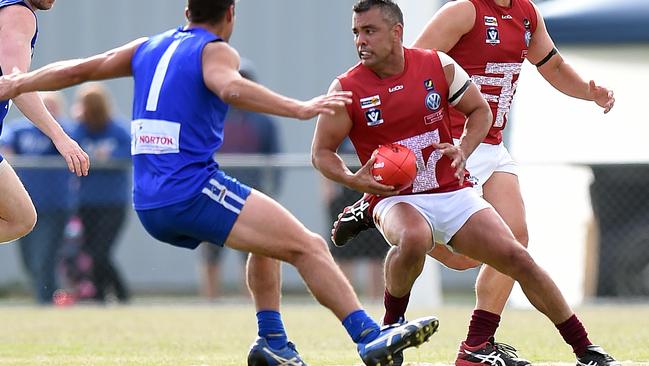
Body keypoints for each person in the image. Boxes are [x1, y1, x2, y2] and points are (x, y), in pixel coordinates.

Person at [0, 1, 440, 365]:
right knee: (307, 244)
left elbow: (80, 70)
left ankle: (272, 342)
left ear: (187, 10)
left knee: (271, 238)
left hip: (149, 198)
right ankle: (367, 337)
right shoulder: (214, 50)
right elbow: (230, 88)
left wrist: (17, 83)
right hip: (189, 189)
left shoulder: (149, 46)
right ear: (230, 15)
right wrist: (299, 107)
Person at [311, 1, 620, 366]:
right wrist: (361, 172)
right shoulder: (461, 13)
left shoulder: (525, 15)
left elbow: (547, 67)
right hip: (429, 164)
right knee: (427, 244)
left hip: (475, 149)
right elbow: (408, 66)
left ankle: (507, 345)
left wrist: (589, 92)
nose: (360, 41)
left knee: (514, 249)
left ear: (393, 32)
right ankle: (391, 328)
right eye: (356, 33)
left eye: (368, 31)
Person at [0, 0, 89, 245]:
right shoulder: (19, 13)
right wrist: (60, 137)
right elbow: (16, 84)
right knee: (20, 218)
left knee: (21, 217)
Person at [198, 58, 282, 300]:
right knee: (211, 251)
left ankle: (251, 302)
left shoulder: (263, 121)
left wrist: (271, 189)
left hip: (249, 196)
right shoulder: (211, 116)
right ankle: (210, 300)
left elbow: (273, 157)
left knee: (250, 252)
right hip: (213, 193)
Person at [0, 91, 73, 304]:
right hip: (20, 201)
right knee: (29, 259)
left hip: (54, 205)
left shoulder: (61, 132)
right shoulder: (20, 129)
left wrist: (56, 134)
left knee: (45, 256)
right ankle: (42, 295)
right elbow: (6, 145)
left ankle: (46, 299)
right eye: (44, 106)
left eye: (52, 108)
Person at [70, 83, 131, 303]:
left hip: (113, 203)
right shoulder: (79, 129)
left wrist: (109, 155)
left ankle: (121, 294)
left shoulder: (117, 129)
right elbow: (71, 147)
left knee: (100, 251)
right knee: (91, 251)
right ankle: (100, 295)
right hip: (86, 202)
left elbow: (130, 153)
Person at [322, 137, 388, 300]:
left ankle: (377, 298)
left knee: (377, 253)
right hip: (346, 193)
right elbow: (325, 154)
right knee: (344, 251)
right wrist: (328, 192)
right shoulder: (341, 130)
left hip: (374, 192)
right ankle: (346, 299)